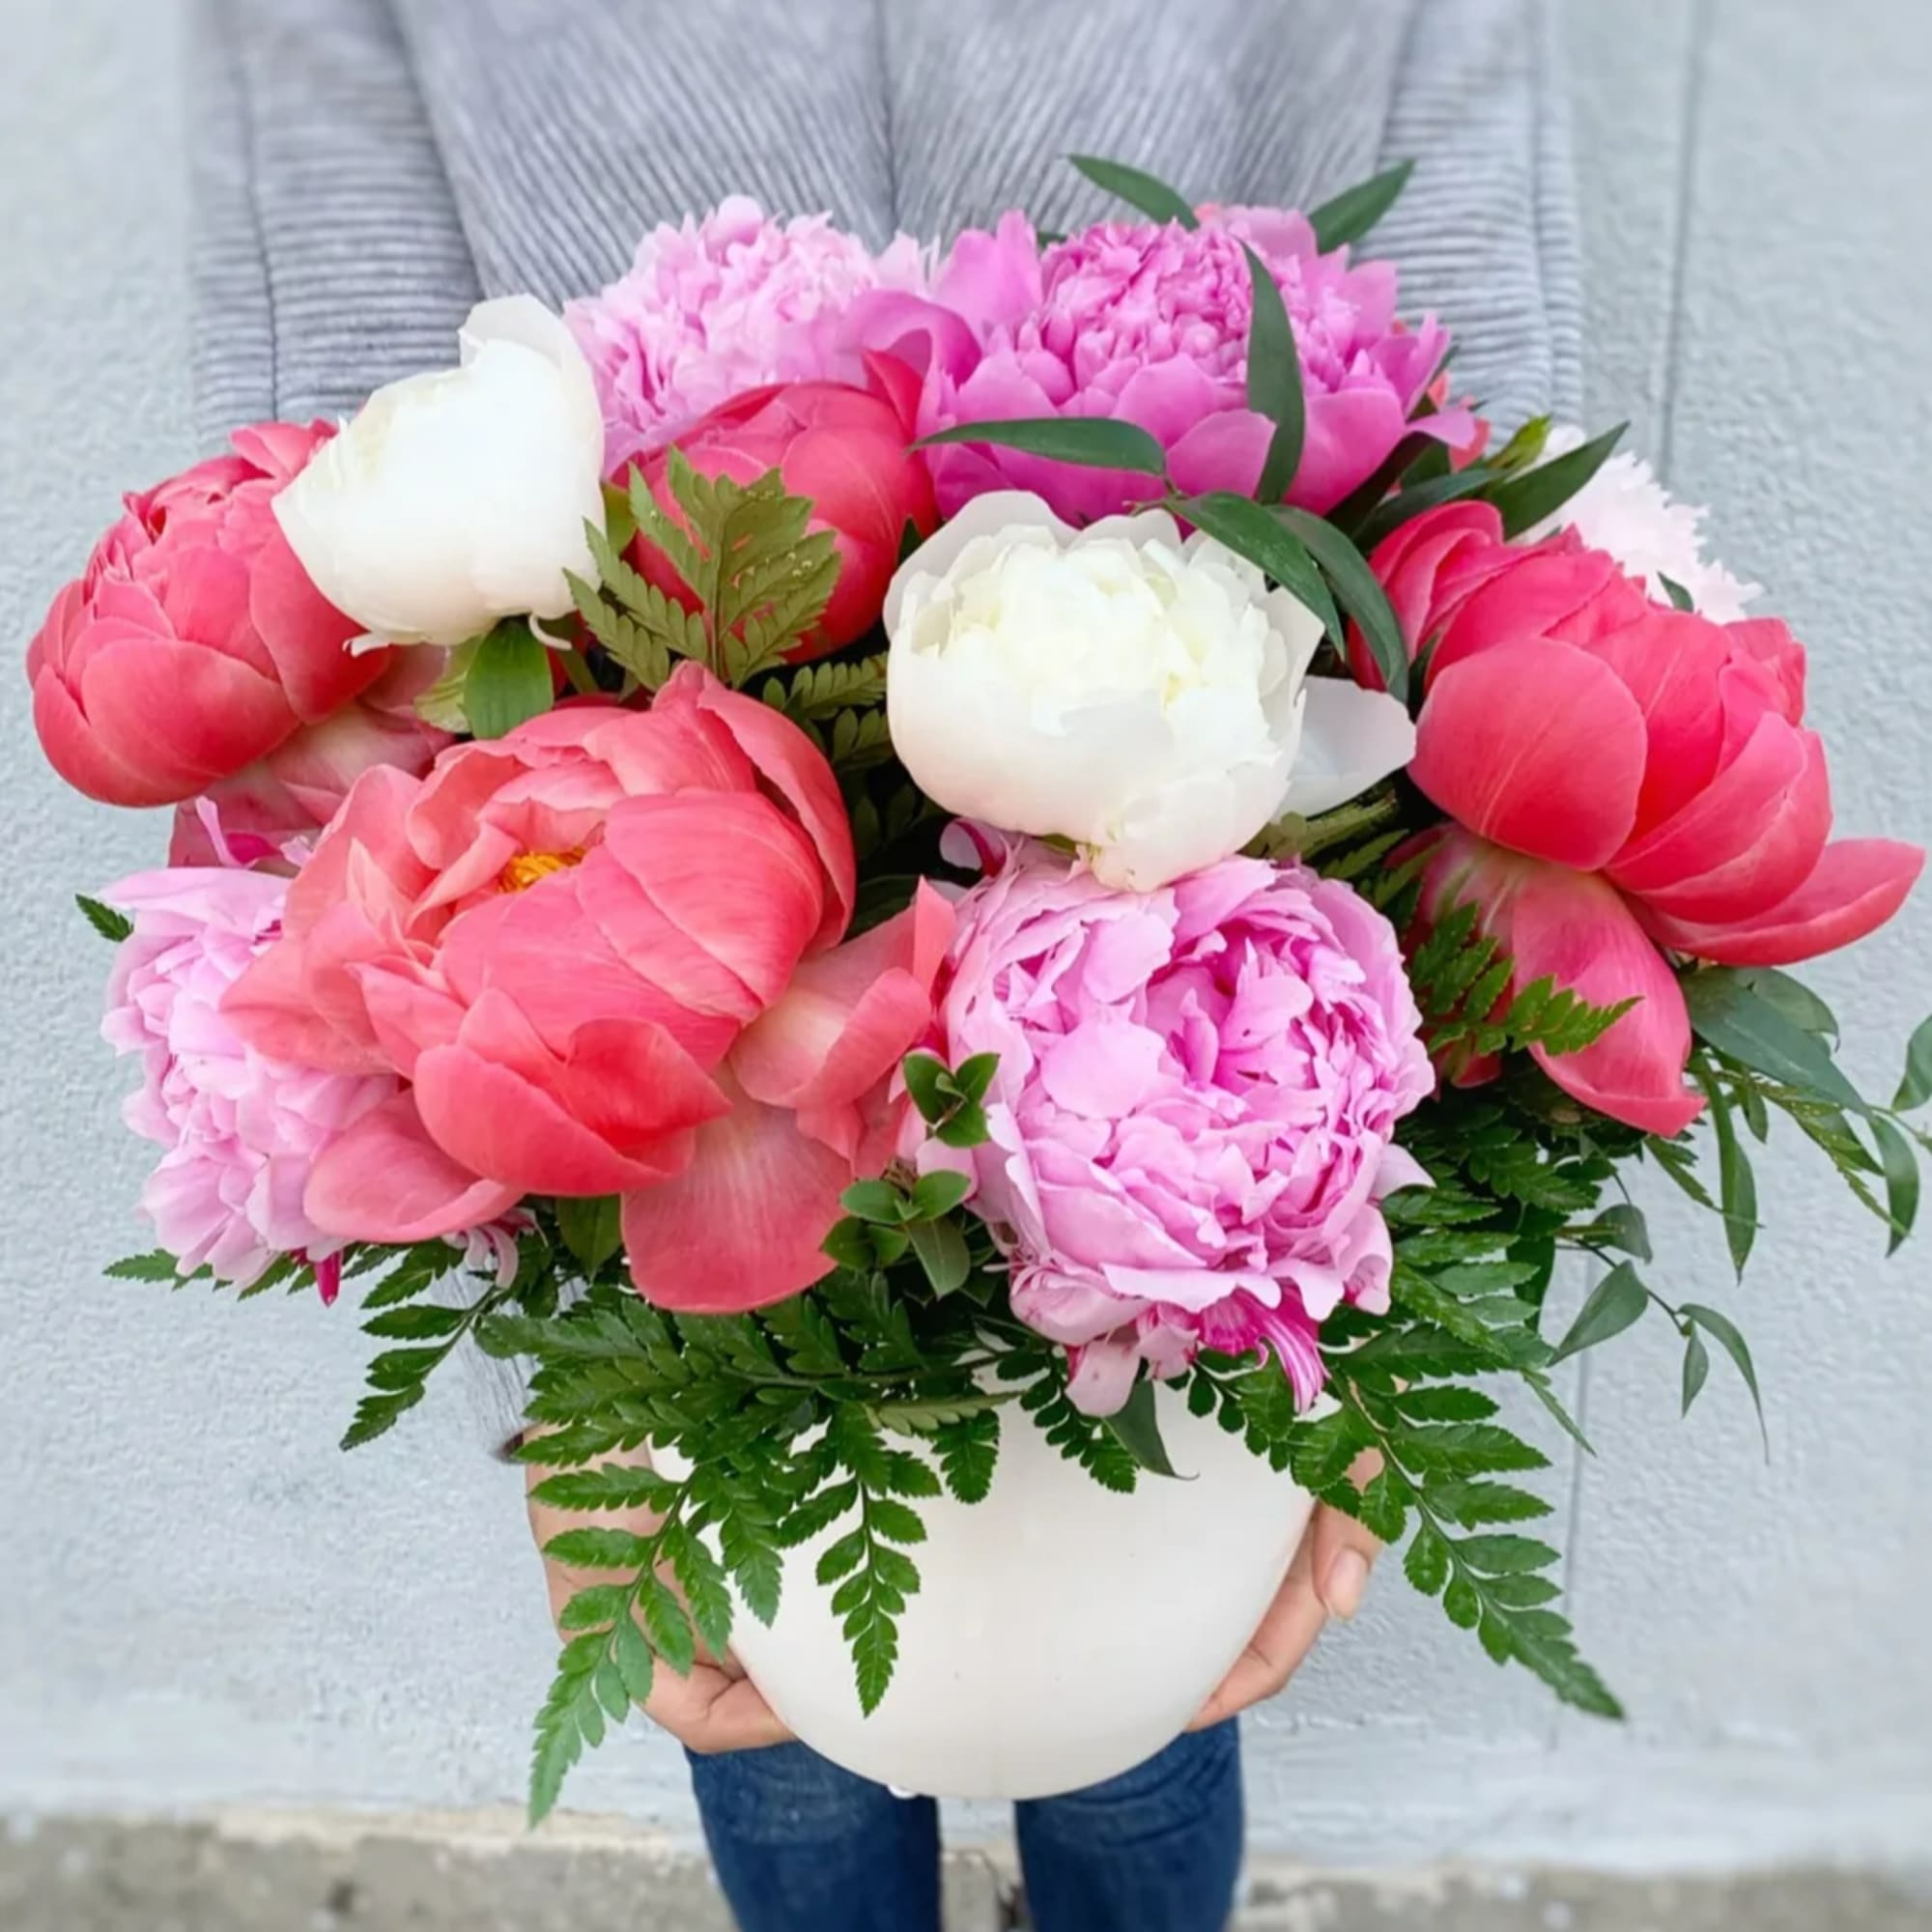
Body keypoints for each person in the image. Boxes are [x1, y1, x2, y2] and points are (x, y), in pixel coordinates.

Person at [190, 3, 1576, 1923]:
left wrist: (1340, 1278)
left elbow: (1499, 541)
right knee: (776, 1727)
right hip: (635, 1073)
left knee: (1147, 1721)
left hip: (1202, 1041)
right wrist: (544, 1372)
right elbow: (315, 549)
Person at [525, 1439, 1383, 1932]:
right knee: (794, 1751)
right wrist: (578, 1396)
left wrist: (1355, 1300)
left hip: (1154, 1412)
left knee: (1131, 1760)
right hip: (755, 1407)